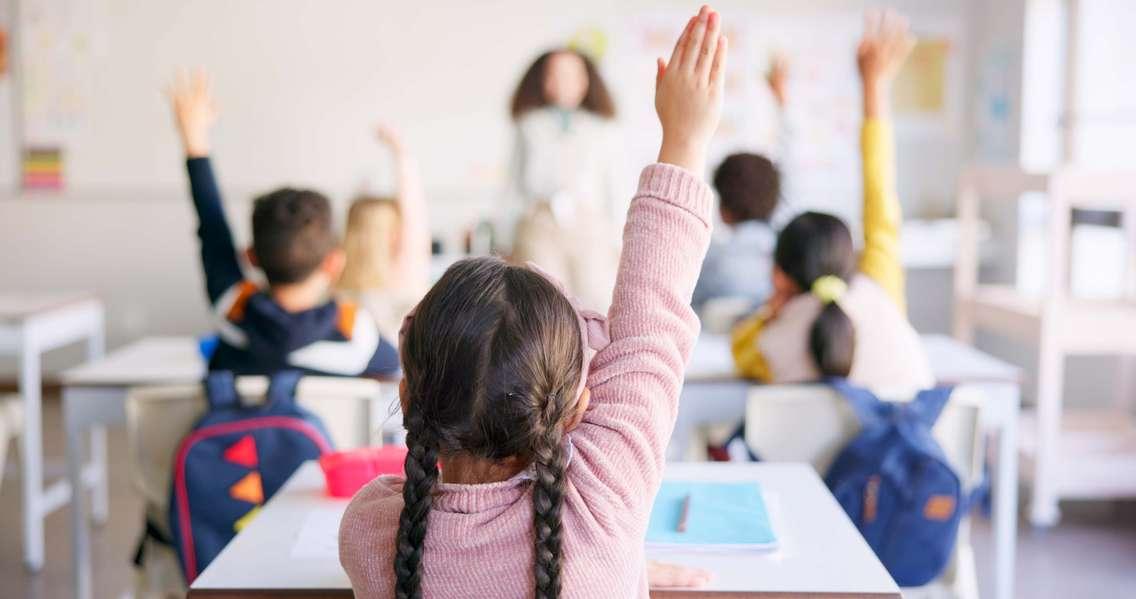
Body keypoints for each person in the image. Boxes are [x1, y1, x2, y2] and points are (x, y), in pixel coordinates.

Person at [338, 6, 726, 597]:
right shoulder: (605, 509)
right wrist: (686, 137)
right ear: (574, 410)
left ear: (408, 395)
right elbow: (651, 327)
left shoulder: (370, 532)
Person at [730, 10, 933, 395]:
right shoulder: (878, 287)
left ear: (778, 276)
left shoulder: (768, 345)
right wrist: (874, 87)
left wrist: (771, 312)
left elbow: (737, 347)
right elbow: (880, 194)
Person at [167, 70, 399, 377]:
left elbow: (212, 225)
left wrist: (194, 138)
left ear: (250, 257)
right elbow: (396, 368)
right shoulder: (358, 338)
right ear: (333, 262)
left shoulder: (231, 311)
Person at [508, 47, 627, 311]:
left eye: (570, 75)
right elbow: (513, 186)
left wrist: (619, 242)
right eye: (553, 74)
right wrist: (506, 240)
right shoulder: (528, 125)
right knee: (541, 303)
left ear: (586, 81)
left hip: (590, 226)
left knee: (596, 298)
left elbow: (614, 189)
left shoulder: (603, 129)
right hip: (539, 224)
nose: (561, 82)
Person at [693, 55, 801, 317]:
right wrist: (782, 101)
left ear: (724, 209)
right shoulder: (789, 262)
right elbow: (793, 156)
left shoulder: (707, 265)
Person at [337, 124, 431, 340]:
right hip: (397, 371)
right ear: (393, 232)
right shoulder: (404, 274)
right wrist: (400, 152)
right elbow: (414, 213)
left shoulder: (338, 280)